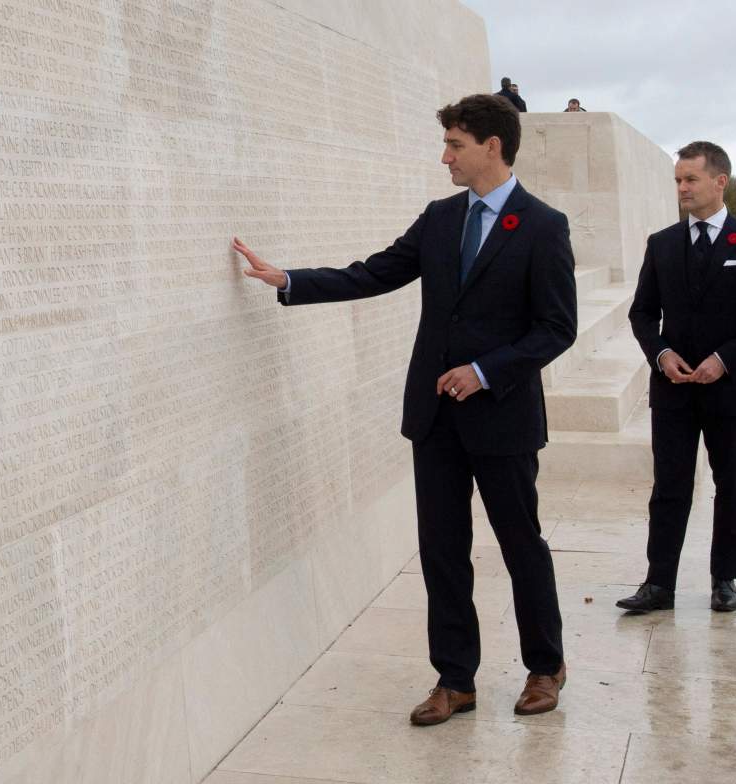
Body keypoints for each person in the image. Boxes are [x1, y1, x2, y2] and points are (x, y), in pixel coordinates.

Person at [233, 93, 576, 725]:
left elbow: (556, 329)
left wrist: (483, 372)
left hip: (502, 417)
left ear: (491, 147)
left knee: (520, 543)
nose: (444, 156)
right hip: (435, 420)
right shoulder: (441, 218)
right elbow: (376, 273)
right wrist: (288, 281)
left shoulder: (542, 225)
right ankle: (455, 679)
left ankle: (544, 666)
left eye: (454, 144)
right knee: (442, 548)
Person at [618, 141, 736, 614]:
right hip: (673, 389)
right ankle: (659, 584)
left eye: (690, 179)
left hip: (730, 390)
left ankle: (724, 578)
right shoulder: (662, 243)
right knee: (668, 486)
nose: (682, 188)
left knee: (731, 483)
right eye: (677, 180)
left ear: (720, 180)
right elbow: (642, 314)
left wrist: (726, 359)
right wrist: (662, 353)